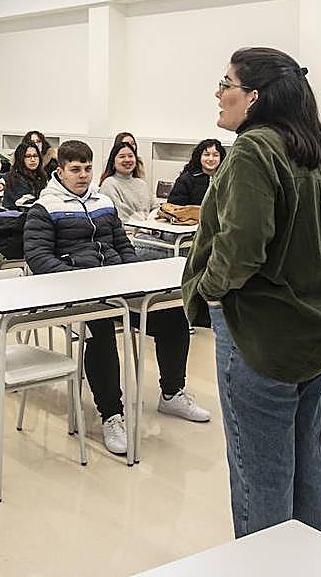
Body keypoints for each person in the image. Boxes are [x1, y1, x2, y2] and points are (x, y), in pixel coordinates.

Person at [183, 47, 321, 538]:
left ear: (253, 98)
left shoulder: (256, 149)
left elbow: (240, 251)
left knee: (259, 474)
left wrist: (210, 293)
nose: (219, 94)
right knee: (305, 460)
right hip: (316, 332)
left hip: (261, 334)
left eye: (226, 84)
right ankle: (310, 562)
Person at [25, 141, 208, 458]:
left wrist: (134, 277)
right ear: (60, 171)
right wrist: (81, 280)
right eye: (75, 170)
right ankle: (111, 414)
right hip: (76, 291)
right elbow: (39, 259)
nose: (83, 176)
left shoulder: (103, 202)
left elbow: (124, 247)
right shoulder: (45, 208)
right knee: (101, 328)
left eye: (87, 168)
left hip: (116, 285)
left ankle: (172, 393)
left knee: (174, 314)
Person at [98, 140, 156, 225]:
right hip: (128, 233)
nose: (127, 160)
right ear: (113, 162)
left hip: (149, 230)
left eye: (130, 156)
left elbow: (155, 208)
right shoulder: (109, 184)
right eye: (122, 156)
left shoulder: (142, 184)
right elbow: (120, 216)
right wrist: (145, 226)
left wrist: (151, 222)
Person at [167, 138, 226, 206]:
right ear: (199, 157)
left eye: (215, 155)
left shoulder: (227, 179)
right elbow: (173, 207)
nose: (211, 159)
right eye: (206, 154)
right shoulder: (185, 180)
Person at [2, 141, 47, 210]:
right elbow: (24, 202)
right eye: (28, 156)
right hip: (17, 216)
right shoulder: (16, 178)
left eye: (35, 156)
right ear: (20, 158)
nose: (33, 160)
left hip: (35, 213)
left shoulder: (41, 176)